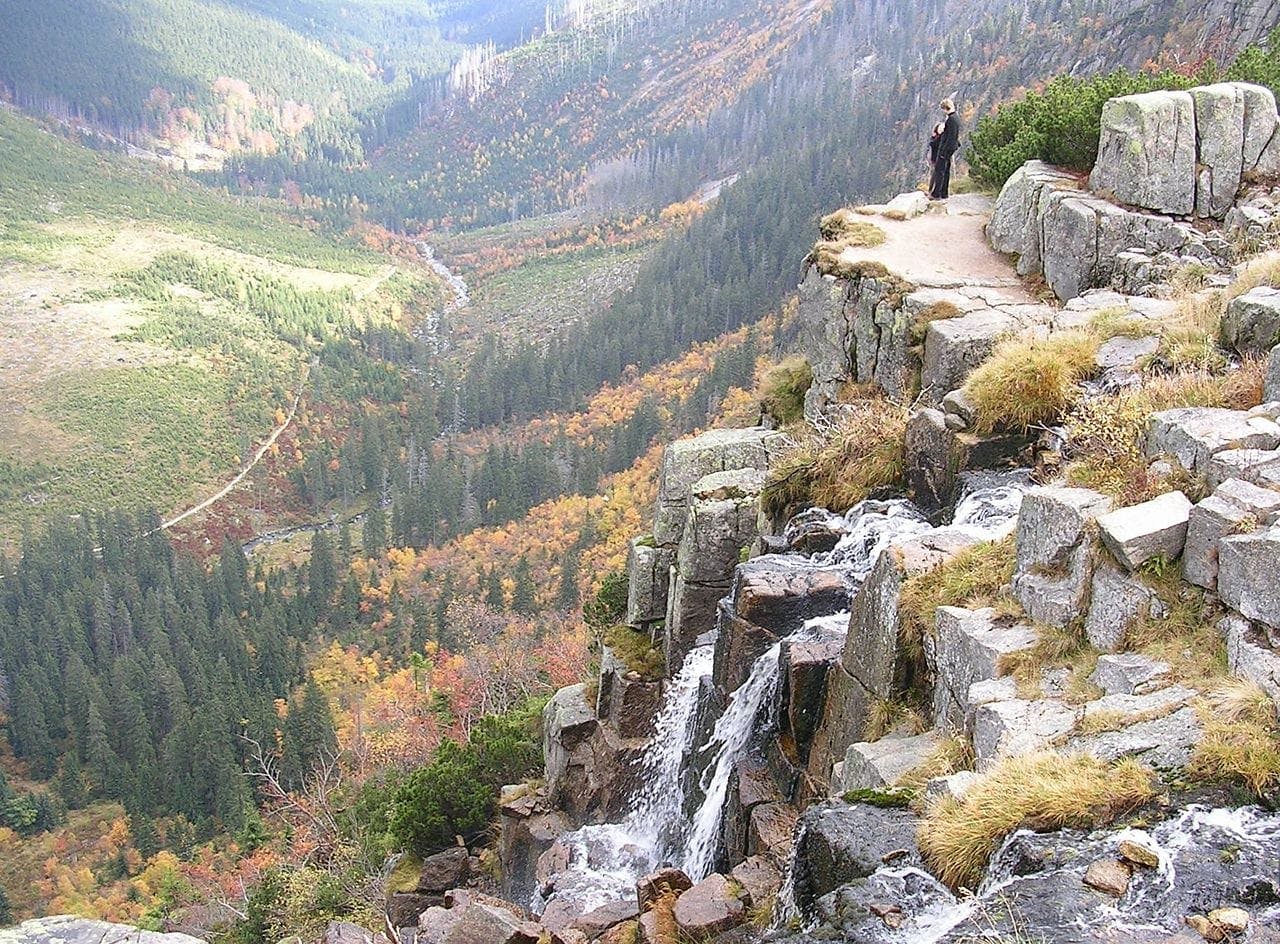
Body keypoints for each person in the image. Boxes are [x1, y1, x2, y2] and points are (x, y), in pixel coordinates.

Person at [929, 98, 961, 200]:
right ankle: (944, 193)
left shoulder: (951, 120)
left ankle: (936, 194)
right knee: (946, 171)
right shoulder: (955, 118)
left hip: (946, 150)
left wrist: (944, 152)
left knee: (940, 171)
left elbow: (950, 138)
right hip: (950, 149)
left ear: (945, 108)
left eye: (943, 109)